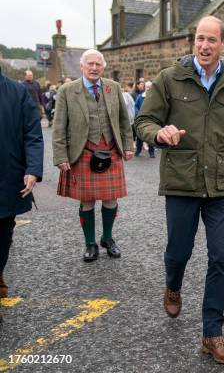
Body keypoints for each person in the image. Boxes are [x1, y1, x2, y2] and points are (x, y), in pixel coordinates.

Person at [135, 16, 224, 364]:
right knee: (178, 251)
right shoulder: (170, 79)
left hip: (221, 187)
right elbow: (143, 120)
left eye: (211, 40)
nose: (204, 46)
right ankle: (173, 284)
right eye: (200, 39)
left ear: (223, 43)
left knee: (221, 257)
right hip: (182, 182)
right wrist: (159, 133)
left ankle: (212, 335)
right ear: (193, 42)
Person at [52, 49, 134, 262]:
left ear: (103, 67)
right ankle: (90, 243)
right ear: (82, 66)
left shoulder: (113, 87)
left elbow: (124, 121)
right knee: (87, 201)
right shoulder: (67, 91)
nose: (94, 68)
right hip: (83, 152)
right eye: (90, 64)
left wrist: (128, 145)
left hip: (110, 151)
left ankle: (107, 238)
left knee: (111, 199)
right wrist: (61, 156)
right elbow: (59, 127)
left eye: (98, 64)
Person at [0, 66, 44, 298]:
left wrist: (33, 169)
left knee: (4, 233)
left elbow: (33, 134)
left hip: (7, 176)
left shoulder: (17, 92)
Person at [134, 81, 156, 158]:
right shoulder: (140, 97)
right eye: (147, 87)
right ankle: (138, 151)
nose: (148, 88)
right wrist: (138, 113)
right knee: (139, 137)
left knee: (150, 136)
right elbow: (136, 106)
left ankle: (151, 152)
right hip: (141, 119)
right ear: (145, 88)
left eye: (150, 87)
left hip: (151, 120)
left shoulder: (155, 97)